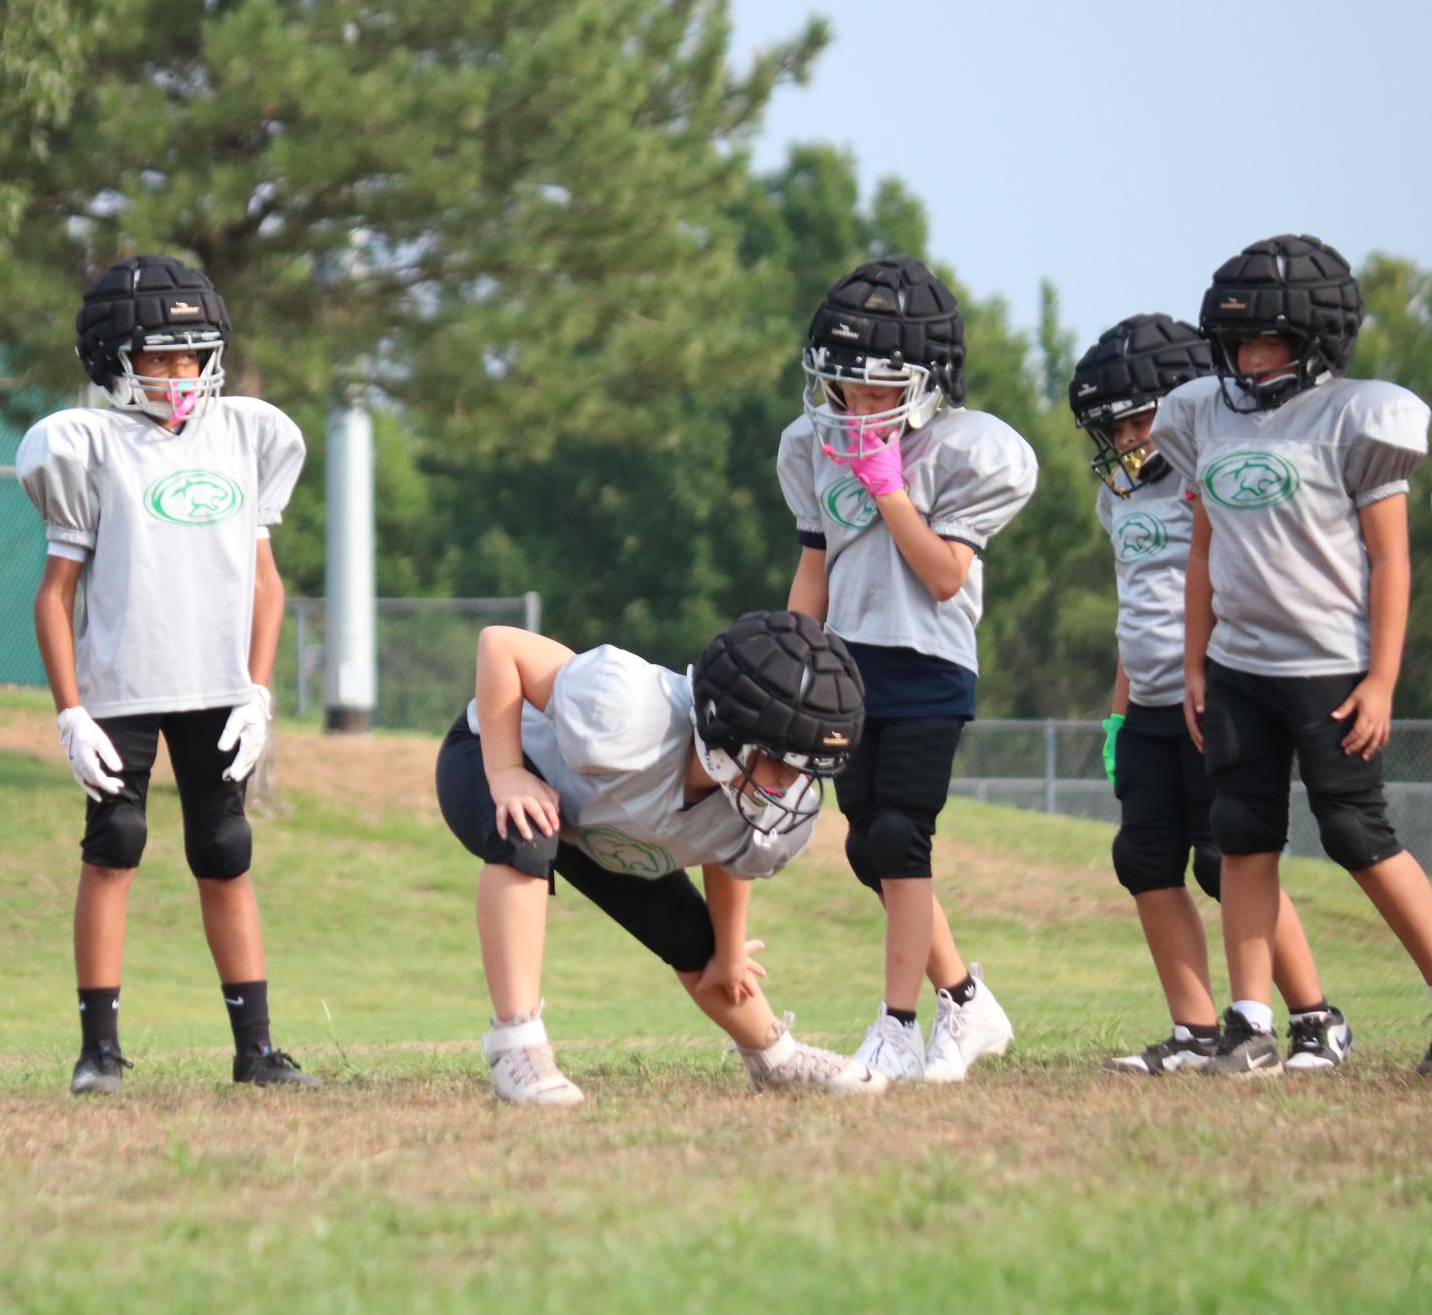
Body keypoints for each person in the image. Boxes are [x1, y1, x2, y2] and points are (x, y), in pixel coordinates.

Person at [16, 254, 317, 1094]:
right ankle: (97, 1051)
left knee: (225, 852)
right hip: (121, 690)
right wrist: (69, 712)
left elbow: (265, 581)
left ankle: (255, 1050)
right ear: (114, 358)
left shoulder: (246, 434)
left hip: (219, 688)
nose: (179, 374)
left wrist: (260, 689)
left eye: (191, 355)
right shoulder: (87, 446)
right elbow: (54, 597)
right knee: (113, 846)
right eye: (159, 357)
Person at [1153, 233, 1432, 1077]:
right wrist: (1196, 662)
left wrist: (1382, 676)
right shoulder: (1203, 412)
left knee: (1356, 833)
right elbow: (1202, 552)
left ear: (1316, 341)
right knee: (1241, 838)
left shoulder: (1357, 415)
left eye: (1268, 339)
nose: (1249, 356)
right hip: (1240, 664)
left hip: (1328, 663)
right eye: (1238, 340)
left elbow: (1390, 559)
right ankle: (1248, 1022)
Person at [437, 611, 883, 1104]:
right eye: (780, 759)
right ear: (725, 727)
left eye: (805, 769)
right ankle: (516, 1046)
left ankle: (775, 1058)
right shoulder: (626, 708)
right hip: (493, 752)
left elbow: (729, 850)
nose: (788, 783)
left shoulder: (751, 788)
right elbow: (501, 646)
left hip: (595, 818)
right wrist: (507, 773)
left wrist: (730, 949)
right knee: (526, 831)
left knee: (696, 938)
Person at [777, 254, 1037, 1083]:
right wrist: (793, 662)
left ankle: (895, 1025)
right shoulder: (811, 448)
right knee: (868, 851)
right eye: (842, 389)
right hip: (848, 664)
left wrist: (891, 491)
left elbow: (943, 575)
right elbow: (814, 567)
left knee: (899, 834)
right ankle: (963, 999)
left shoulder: (967, 451)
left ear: (927, 384)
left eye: (878, 392)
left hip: (927, 663)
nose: (855, 409)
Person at [1074, 314, 1347, 1074]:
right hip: (1149, 709)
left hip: (1215, 695)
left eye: (1139, 419)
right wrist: (1116, 714)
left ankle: (1315, 1017)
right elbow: (1135, 613)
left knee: (1228, 859)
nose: (1128, 440)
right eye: (1113, 427)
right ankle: (1194, 1031)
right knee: (1144, 859)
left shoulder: (1218, 485)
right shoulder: (1117, 501)